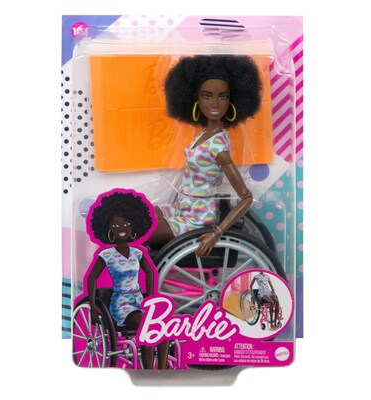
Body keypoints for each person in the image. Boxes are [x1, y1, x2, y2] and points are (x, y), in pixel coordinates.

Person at [144, 55, 262, 257]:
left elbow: (246, 197)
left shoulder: (219, 148)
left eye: (222, 97)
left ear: (232, 101)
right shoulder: (205, 135)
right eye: (207, 96)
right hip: (182, 207)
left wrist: (216, 234)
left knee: (140, 231)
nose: (215, 104)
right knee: (140, 215)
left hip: (197, 217)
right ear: (196, 99)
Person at [86, 189, 169, 369]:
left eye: (126, 224)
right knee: (148, 328)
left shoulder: (138, 252)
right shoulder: (107, 254)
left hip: (139, 301)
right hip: (122, 305)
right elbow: (92, 278)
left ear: (133, 225)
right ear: (108, 228)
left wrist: (150, 298)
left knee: (162, 330)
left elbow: (150, 273)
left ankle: (162, 372)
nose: (121, 228)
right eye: (115, 225)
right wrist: (92, 306)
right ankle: (149, 373)